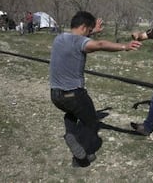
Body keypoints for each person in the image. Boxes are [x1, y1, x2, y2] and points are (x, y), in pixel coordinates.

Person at [49, 11, 141, 167]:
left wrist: (94, 31)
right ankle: (80, 158)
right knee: (91, 122)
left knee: (71, 114)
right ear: (85, 28)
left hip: (55, 95)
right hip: (74, 94)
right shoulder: (80, 42)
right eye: (89, 29)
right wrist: (125, 46)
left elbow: (82, 38)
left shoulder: (59, 38)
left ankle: (71, 135)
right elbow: (99, 45)